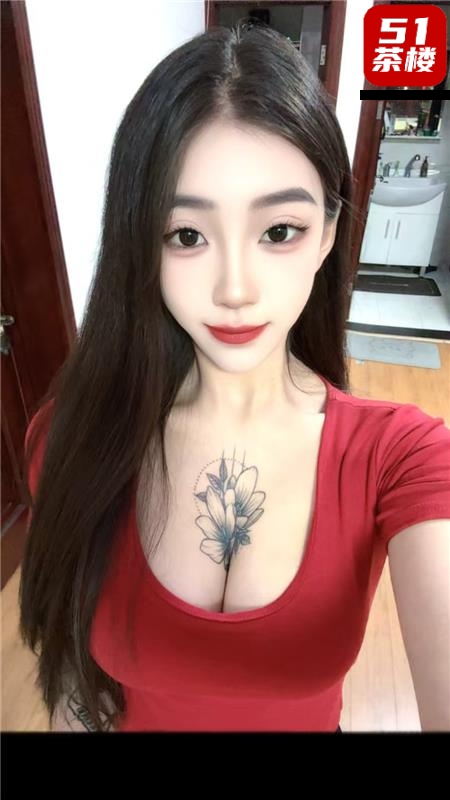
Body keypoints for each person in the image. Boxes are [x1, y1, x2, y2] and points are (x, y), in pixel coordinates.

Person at [19, 22, 450, 734]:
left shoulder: (401, 457)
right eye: (186, 235)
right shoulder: (70, 436)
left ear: (328, 233)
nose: (235, 290)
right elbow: (74, 686)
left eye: (279, 231)